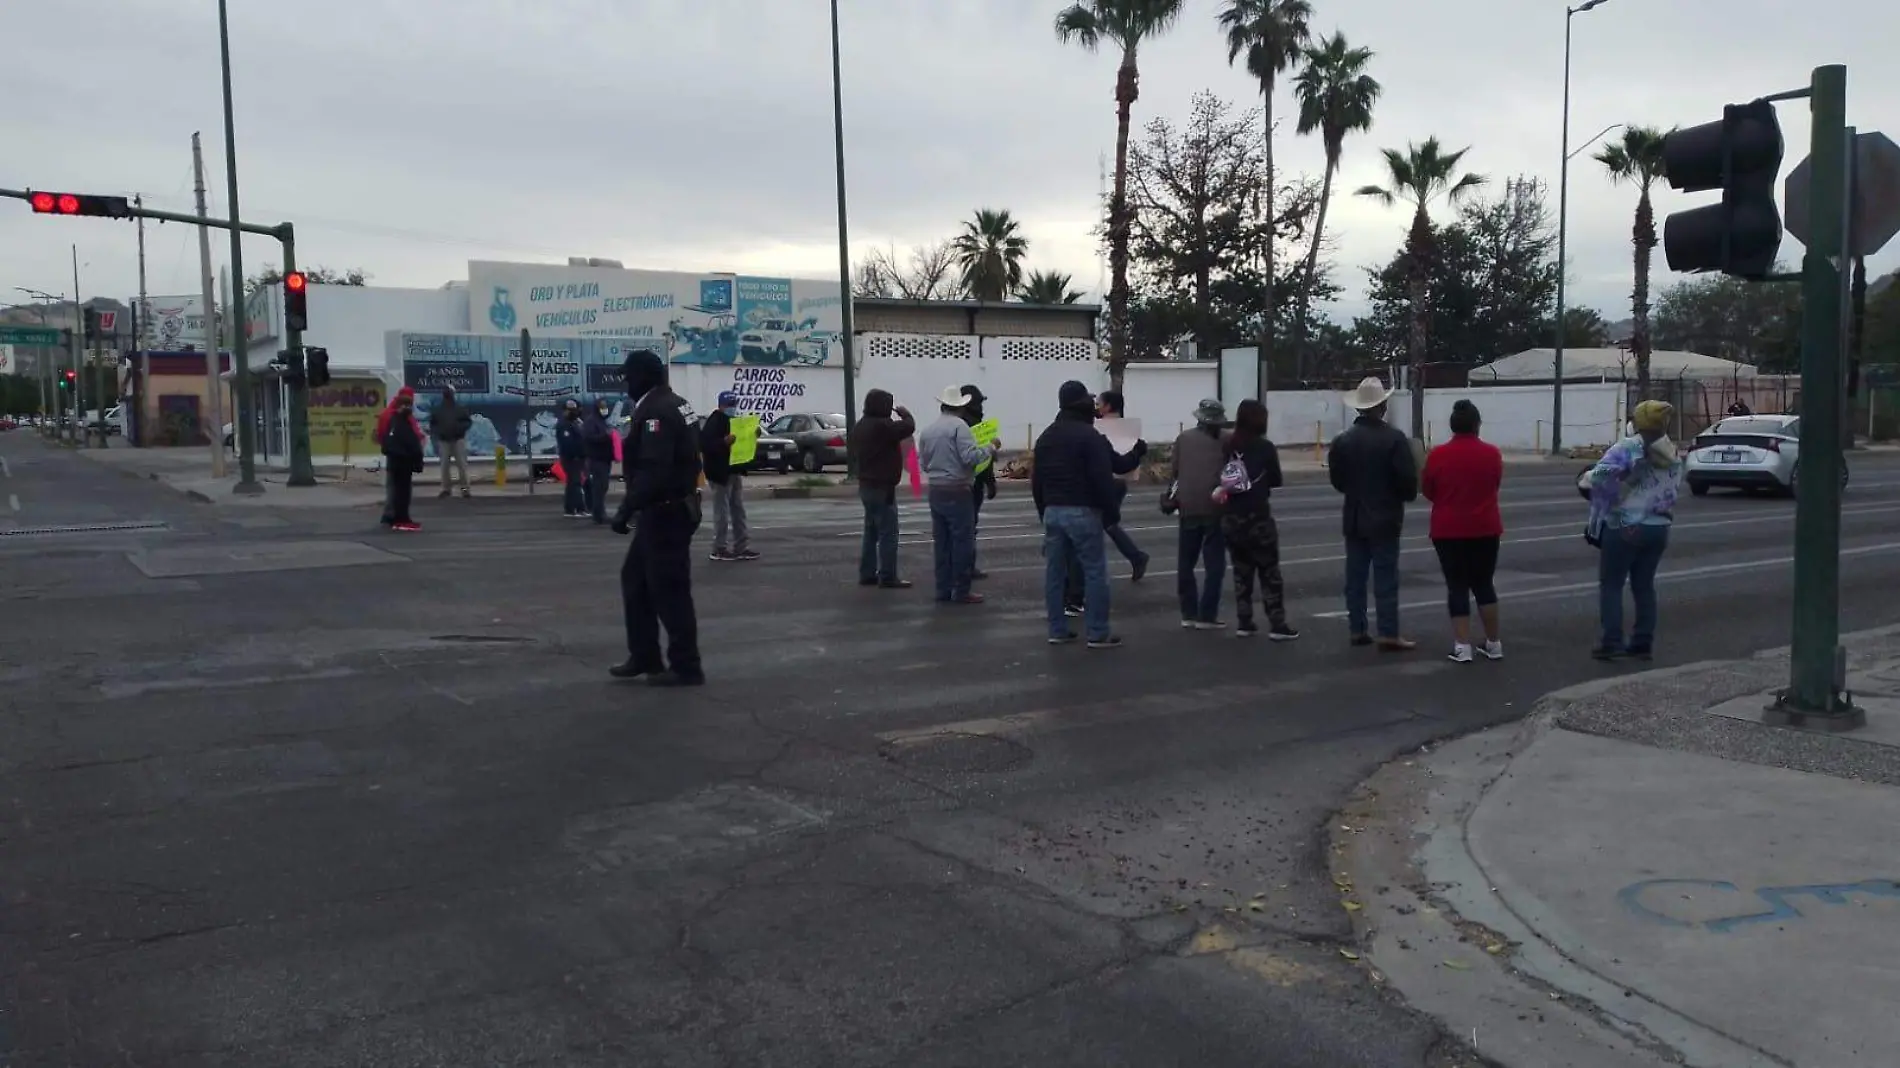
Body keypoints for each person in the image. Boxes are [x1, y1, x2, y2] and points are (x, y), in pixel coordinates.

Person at [608, 349, 705, 687]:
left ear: (644, 377)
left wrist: (626, 509)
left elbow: (654, 469)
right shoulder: (675, 402)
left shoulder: (657, 411)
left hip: (665, 511)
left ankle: (686, 665)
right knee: (636, 582)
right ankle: (645, 655)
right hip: (669, 508)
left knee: (669, 589)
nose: (625, 385)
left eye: (629, 378)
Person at [1585, 399, 1683, 661]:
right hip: (1659, 526)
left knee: (1612, 585)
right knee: (1644, 585)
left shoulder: (1628, 447)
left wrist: (1606, 486)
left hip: (1625, 525)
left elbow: (1598, 477)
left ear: (1638, 421)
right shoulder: (1672, 452)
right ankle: (1642, 642)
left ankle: (1612, 641)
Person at [1329, 376, 1419, 651]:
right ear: (1382, 406)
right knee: (1385, 577)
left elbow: (1338, 482)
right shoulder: (1394, 439)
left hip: (1355, 517)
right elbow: (1407, 482)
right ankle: (1388, 632)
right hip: (1385, 517)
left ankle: (1357, 629)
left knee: (1355, 577)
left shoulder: (1342, 441)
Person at [1033, 380, 1123, 649]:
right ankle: (1097, 632)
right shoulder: (1089, 436)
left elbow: (1037, 481)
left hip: (1052, 511)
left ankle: (1057, 630)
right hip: (1082, 510)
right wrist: (1111, 512)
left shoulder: (1046, 436)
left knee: (1055, 573)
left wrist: (1044, 511)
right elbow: (1101, 478)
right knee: (1094, 572)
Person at [1421, 399, 1504, 663]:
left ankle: (1462, 646)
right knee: (1484, 584)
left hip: (1448, 528)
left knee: (1457, 585)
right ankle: (1493, 642)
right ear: (1477, 425)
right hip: (1485, 526)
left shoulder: (1437, 455)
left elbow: (1428, 490)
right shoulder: (1492, 453)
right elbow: (1495, 484)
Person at [1216, 399, 1298, 640]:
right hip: (1258, 516)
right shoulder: (1265, 447)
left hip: (1232, 516)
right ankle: (1277, 623)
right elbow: (1276, 479)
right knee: (1269, 572)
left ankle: (1245, 621)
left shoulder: (1228, 446)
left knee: (1242, 571)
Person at [915, 385, 997, 604]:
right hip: (958, 489)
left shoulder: (928, 430)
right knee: (962, 541)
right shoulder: (960, 427)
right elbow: (970, 457)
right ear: (959, 407)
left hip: (936, 489)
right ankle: (961, 590)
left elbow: (922, 463)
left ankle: (942, 589)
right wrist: (990, 448)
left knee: (941, 542)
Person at [848, 388, 916, 589]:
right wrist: (906, 414)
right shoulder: (882, 426)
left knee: (871, 532)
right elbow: (908, 427)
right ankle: (888, 575)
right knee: (888, 532)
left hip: (866, 485)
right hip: (882, 486)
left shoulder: (860, 426)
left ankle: (867, 573)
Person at [1172, 398, 1230, 629]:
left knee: (1186, 562)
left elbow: (1175, 471)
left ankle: (1188, 613)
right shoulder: (1226, 440)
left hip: (1187, 505)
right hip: (1214, 506)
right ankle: (1207, 614)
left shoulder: (1183, 438)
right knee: (1214, 563)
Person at [1094, 390, 1152, 581]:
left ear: (1108, 406)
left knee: (1104, 522)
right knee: (1107, 522)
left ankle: (1135, 557)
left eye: (1099, 403)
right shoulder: (1124, 429)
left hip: (1107, 481)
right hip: (1119, 482)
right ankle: (1136, 557)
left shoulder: (1102, 429)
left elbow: (1116, 461)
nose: (1097, 407)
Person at [701, 391, 758, 562]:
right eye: (729, 405)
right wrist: (723, 443)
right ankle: (719, 548)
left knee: (738, 510)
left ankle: (741, 546)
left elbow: (742, 443)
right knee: (722, 512)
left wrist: (752, 436)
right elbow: (705, 445)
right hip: (719, 474)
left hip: (733, 470)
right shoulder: (714, 421)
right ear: (721, 405)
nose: (732, 408)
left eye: (734, 404)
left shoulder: (735, 422)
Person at [375, 387, 424, 532]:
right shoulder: (400, 418)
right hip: (401, 457)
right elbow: (411, 436)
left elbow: (381, 434)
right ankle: (395, 516)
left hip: (394, 455)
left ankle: (391, 515)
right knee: (400, 489)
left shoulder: (389, 415)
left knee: (394, 487)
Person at [961, 384, 997, 581]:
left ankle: (958, 565)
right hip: (971, 483)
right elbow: (982, 459)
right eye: (979, 403)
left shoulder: (957, 423)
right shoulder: (974, 425)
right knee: (968, 527)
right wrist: (990, 482)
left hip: (956, 483)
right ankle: (967, 566)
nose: (981, 407)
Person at [428, 386, 473, 499]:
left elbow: (467, 422)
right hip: (444, 441)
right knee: (445, 466)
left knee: (461, 465)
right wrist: (439, 432)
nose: (447, 394)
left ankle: (465, 489)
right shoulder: (438, 410)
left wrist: (459, 429)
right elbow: (433, 424)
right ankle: (446, 489)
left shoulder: (460, 408)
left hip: (458, 439)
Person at [581, 398, 617, 523]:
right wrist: (606, 436)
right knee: (599, 487)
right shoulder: (591, 421)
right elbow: (589, 437)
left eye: (605, 406)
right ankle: (598, 514)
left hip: (605, 459)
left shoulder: (602, 421)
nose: (604, 409)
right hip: (596, 459)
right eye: (602, 407)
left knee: (603, 486)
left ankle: (600, 512)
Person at [554, 399, 588, 518]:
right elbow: (567, 444)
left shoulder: (576, 423)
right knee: (575, 483)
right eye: (570, 410)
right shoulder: (564, 425)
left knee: (573, 483)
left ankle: (572, 509)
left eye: (574, 410)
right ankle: (577, 509)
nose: (573, 412)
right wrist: (577, 455)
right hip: (571, 459)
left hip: (578, 458)